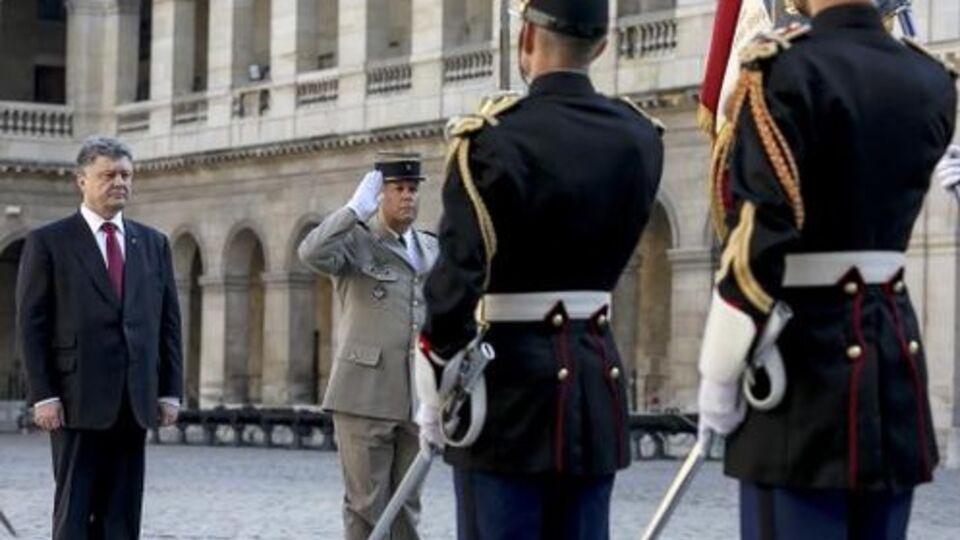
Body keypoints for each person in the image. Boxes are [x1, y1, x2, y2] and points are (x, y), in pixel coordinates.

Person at [695, 1, 957, 538]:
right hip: (892, 363)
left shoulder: (781, 71)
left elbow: (755, 247)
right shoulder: (929, 77)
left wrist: (718, 373)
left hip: (802, 376)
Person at [413, 1, 665, 538]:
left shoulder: (489, 139)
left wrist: (434, 393)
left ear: (526, 36)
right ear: (600, 45)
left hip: (507, 396)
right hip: (596, 385)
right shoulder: (640, 139)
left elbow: (454, 285)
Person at [17, 135, 183, 540]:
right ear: (82, 181)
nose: (119, 183)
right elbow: (31, 323)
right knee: (76, 509)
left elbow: (168, 324)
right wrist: (43, 394)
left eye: (126, 175)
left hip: (134, 398)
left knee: (123, 514)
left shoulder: (153, 243)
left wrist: (170, 391)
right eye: (108, 175)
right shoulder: (50, 242)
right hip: (76, 399)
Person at [298, 153, 438, 540]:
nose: (408, 196)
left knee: (408, 507)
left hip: (417, 397)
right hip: (364, 395)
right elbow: (310, 253)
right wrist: (352, 210)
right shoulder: (355, 242)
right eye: (398, 189)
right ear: (379, 194)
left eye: (413, 189)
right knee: (366, 506)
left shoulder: (430, 248)